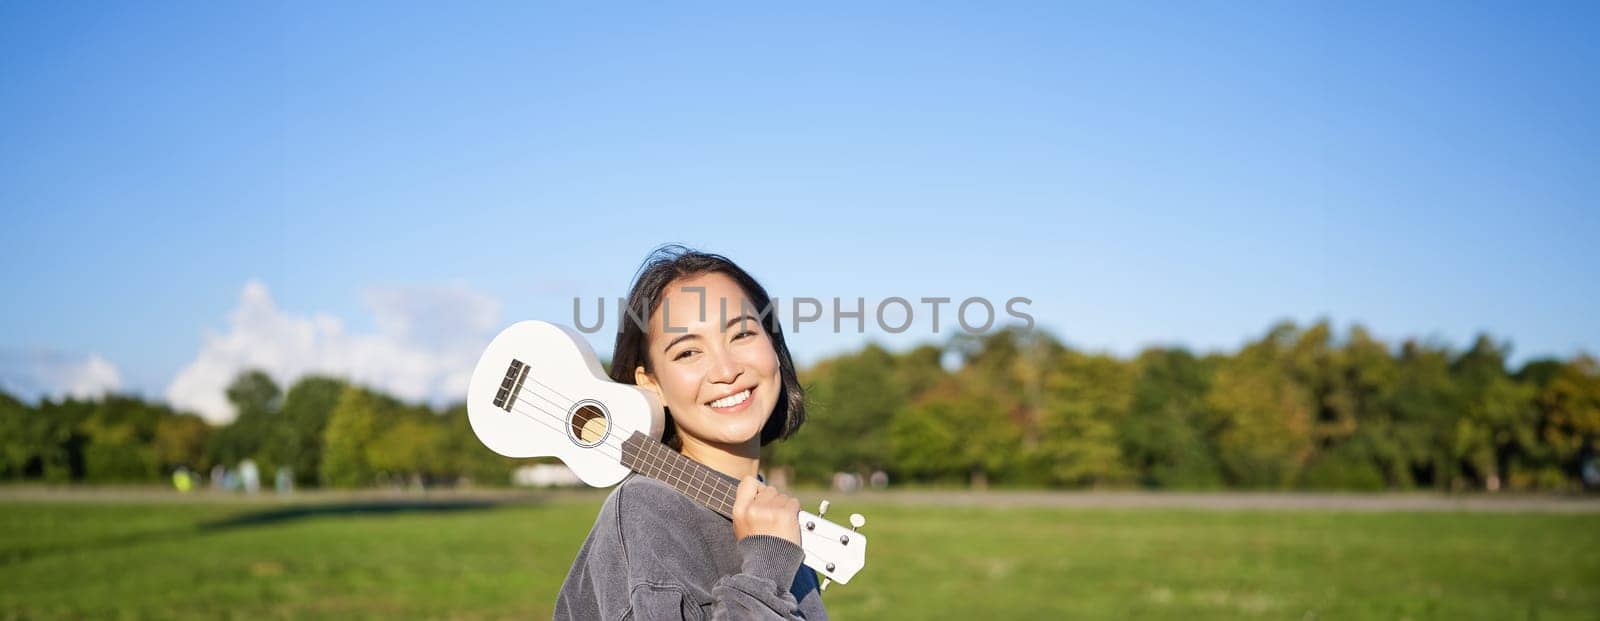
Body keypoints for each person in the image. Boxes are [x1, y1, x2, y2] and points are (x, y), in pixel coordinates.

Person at [555, 246, 827, 620]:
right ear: (651, 385)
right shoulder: (648, 510)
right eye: (687, 353)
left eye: (742, 334)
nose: (726, 369)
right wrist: (765, 566)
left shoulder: (767, 514)